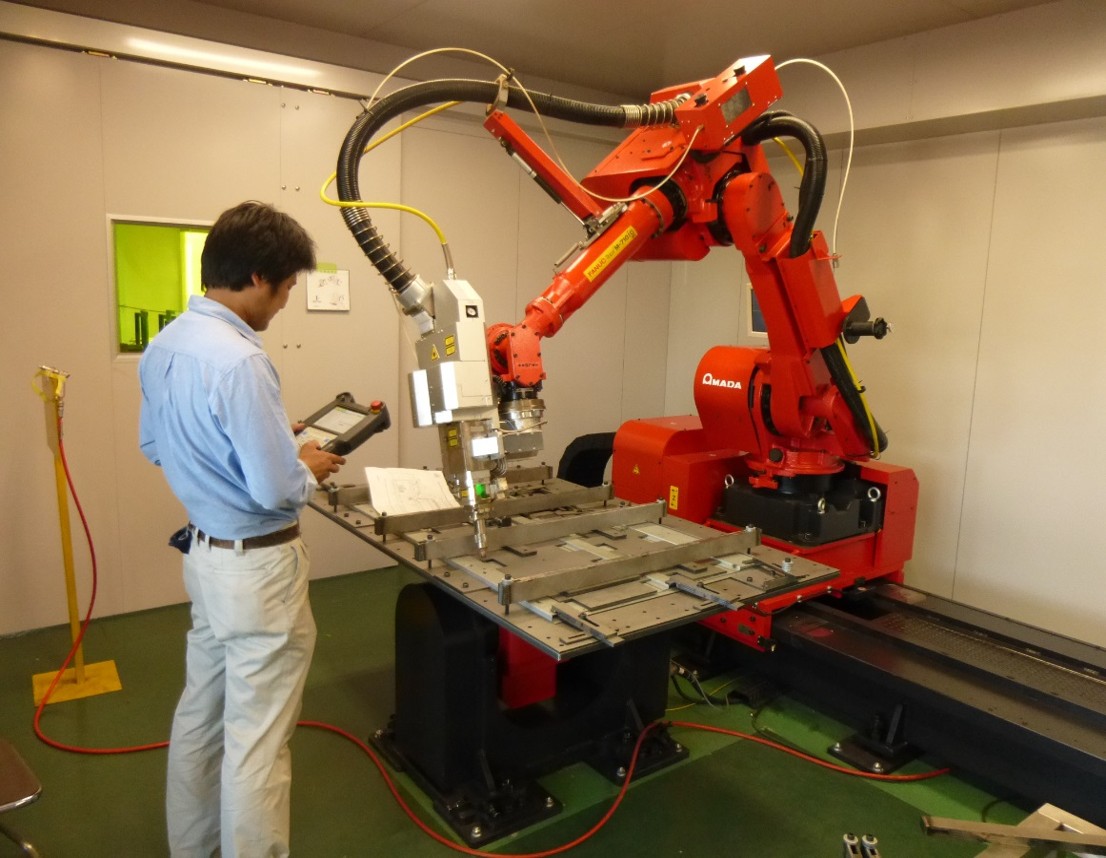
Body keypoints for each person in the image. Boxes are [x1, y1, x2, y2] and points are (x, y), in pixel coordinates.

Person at [138, 201, 345, 857]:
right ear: (258, 277)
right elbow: (277, 490)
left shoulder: (166, 344)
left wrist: (261, 442)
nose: (284, 303)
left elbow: (156, 445)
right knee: (258, 743)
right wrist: (304, 465)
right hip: (259, 573)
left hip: (205, 558)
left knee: (200, 716)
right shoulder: (242, 361)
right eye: (284, 289)